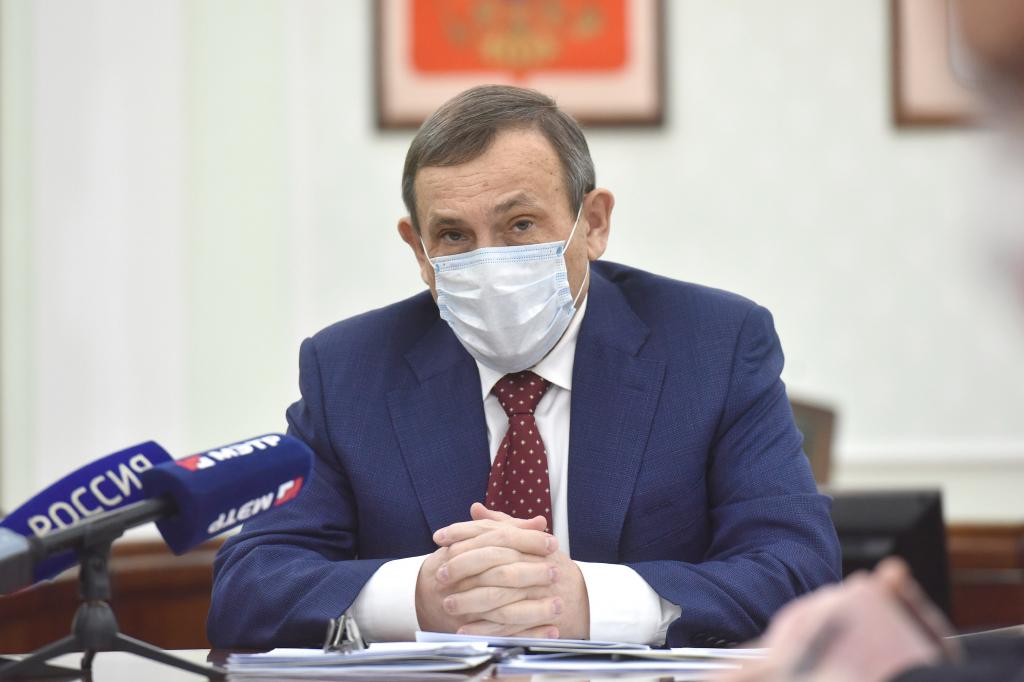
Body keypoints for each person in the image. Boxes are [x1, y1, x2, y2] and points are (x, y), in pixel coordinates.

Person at [206, 85, 841, 648]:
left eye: (520, 224)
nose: (490, 262)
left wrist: (590, 603)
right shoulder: (349, 369)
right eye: (454, 236)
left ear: (593, 224)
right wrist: (421, 596)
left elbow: (798, 568)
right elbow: (250, 585)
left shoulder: (713, 346)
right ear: (419, 250)